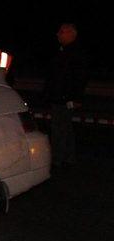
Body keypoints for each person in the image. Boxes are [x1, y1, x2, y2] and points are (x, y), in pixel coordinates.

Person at [44, 23, 88, 168]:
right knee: (64, 128)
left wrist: (76, 98)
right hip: (60, 96)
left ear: (71, 34)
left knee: (59, 128)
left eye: (62, 32)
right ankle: (68, 157)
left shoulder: (75, 53)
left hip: (65, 97)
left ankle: (59, 158)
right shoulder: (62, 51)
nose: (58, 34)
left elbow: (79, 77)